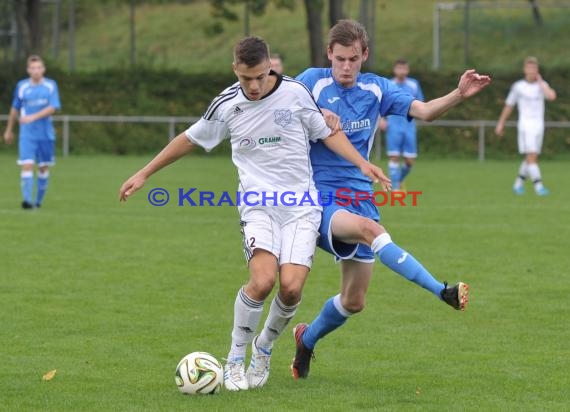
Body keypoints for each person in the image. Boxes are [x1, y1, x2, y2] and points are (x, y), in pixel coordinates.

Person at [118, 36, 389, 391]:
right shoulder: (227, 104)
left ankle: (263, 348)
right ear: (236, 70)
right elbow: (189, 138)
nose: (255, 85)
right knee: (262, 281)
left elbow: (327, 133)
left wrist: (362, 164)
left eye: (261, 76)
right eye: (247, 78)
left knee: (291, 290)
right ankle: (234, 358)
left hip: (301, 208)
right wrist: (144, 173)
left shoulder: (294, 93)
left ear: (270, 68)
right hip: (258, 206)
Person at [289, 20, 491, 379]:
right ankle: (440, 290)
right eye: (339, 59)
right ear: (329, 56)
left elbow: (425, 111)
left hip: (361, 197)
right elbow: (278, 111)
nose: (346, 67)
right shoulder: (310, 82)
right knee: (371, 229)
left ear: (364, 55)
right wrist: (314, 113)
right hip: (318, 197)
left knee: (354, 301)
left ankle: (307, 339)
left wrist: (458, 94)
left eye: (353, 59)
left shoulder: (377, 88)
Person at [3, 55, 61, 209]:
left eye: (39, 68)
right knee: (27, 165)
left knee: (43, 167)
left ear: (43, 69)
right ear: (28, 70)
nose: (36, 71)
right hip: (27, 134)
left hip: (46, 134)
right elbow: (15, 108)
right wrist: (9, 130)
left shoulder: (50, 86)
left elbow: (53, 107)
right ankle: (27, 201)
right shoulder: (22, 86)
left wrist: (32, 117)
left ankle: (38, 202)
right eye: (33, 68)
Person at [495, 56, 556, 196]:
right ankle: (539, 186)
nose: (531, 71)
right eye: (529, 68)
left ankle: (518, 184)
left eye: (534, 68)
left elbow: (552, 96)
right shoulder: (518, 87)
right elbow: (509, 106)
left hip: (539, 125)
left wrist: (541, 82)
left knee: (531, 158)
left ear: (537, 70)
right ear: (524, 70)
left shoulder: (542, 85)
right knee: (531, 156)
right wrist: (501, 123)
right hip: (525, 126)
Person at [380, 59, 424, 190]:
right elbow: (379, 103)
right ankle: (395, 189)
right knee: (394, 157)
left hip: (409, 126)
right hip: (393, 126)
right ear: (394, 70)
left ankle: (398, 180)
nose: (402, 71)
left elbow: (421, 104)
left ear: (408, 70)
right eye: (399, 68)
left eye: (404, 68)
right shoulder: (388, 84)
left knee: (409, 161)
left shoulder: (414, 84)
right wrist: (380, 119)